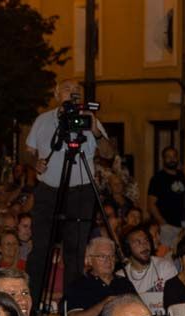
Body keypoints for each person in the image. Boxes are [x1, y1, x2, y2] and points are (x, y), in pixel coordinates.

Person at [25, 78, 115, 294]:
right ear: (56, 95)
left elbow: (108, 153)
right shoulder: (43, 120)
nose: (73, 92)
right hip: (48, 191)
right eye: (67, 89)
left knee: (74, 252)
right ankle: (32, 303)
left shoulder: (89, 118)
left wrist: (95, 131)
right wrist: (34, 162)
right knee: (41, 249)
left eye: (77, 90)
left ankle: (71, 306)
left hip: (81, 191)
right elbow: (28, 151)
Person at [64, 237, 138, 316]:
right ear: (90, 260)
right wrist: (105, 304)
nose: (108, 260)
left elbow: (140, 312)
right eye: (102, 256)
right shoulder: (79, 285)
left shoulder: (123, 283)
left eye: (111, 256)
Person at [147, 146, 185, 248]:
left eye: (174, 156)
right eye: (168, 157)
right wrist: (163, 224)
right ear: (163, 159)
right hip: (166, 227)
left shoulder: (181, 175)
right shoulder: (157, 178)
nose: (172, 159)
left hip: (181, 226)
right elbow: (151, 204)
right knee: (166, 256)